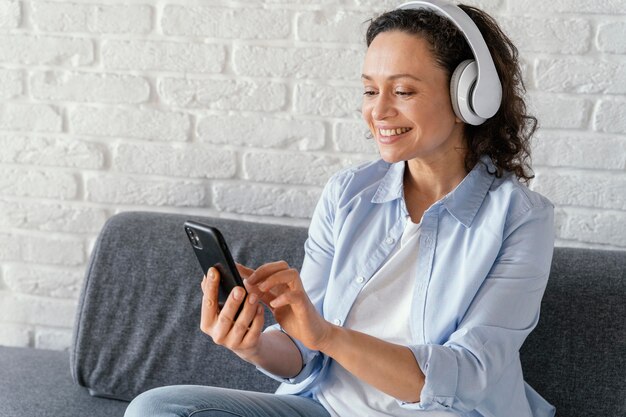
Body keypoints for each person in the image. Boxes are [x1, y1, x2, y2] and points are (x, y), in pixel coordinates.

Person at [125, 1, 556, 416]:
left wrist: (327, 335)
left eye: (403, 90)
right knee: (158, 409)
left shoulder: (520, 219)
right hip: (326, 409)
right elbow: (304, 354)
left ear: (470, 98)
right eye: (370, 90)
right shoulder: (348, 194)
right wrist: (252, 343)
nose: (378, 111)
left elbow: (467, 377)